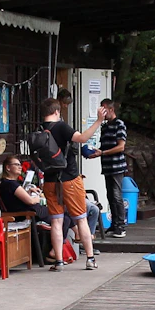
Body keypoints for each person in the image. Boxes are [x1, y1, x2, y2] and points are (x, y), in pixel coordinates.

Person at [37, 99, 98, 271]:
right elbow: (83, 138)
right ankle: (90, 259)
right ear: (57, 111)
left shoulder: (40, 129)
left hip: (49, 181)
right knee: (81, 218)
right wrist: (99, 120)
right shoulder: (61, 127)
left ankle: (59, 262)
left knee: (57, 222)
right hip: (69, 178)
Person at [95, 98, 130, 238]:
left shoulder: (119, 124)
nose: (102, 113)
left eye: (104, 109)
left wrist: (103, 153)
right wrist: (95, 153)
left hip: (117, 166)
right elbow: (104, 147)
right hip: (107, 165)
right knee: (110, 195)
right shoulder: (104, 126)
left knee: (116, 195)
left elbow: (121, 146)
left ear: (111, 109)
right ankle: (114, 224)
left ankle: (121, 226)